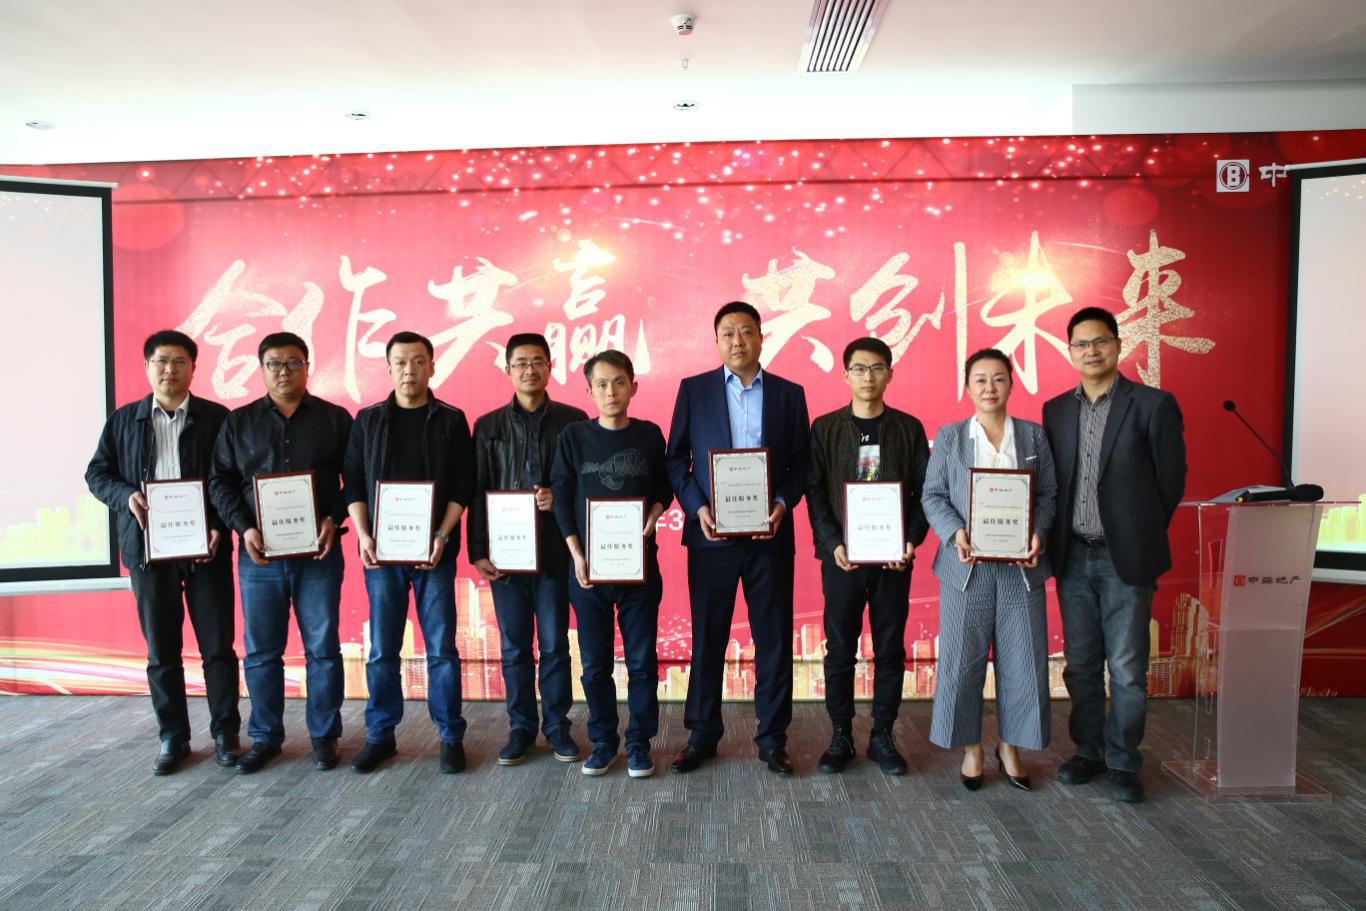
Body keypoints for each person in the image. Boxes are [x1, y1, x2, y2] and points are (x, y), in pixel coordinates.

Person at [1043, 306, 1187, 804]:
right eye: (1081, 344)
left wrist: (1135, 533)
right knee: (1081, 665)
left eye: (1100, 341)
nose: (1092, 351)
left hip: (1125, 558)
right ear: (1070, 352)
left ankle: (1124, 760)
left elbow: (1171, 482)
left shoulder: (1152, 405)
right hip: (1072, 557)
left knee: (1126, 667)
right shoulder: (1056, 411)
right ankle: (1088, 750)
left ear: (1119, 345)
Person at [85, 330, 241, 775]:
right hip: (148, 553)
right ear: (147, 368)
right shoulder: (124, 420)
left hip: (206, 550)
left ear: (193, 368)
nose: (169, 369)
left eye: (179, 362)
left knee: (218, 648)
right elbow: (97, 474)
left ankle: (226, 733)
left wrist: (219, 527)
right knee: (162, 651)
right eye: (161, 361)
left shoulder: (217, 419)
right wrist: (125, 496)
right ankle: (173, 737)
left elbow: (231, 480)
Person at [665, 301, 811, 775]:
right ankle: (702, 735)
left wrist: (782, 503)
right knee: (708, 638)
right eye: (727, 333)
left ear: (762, 337)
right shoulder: (695, 390)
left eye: (746, 332)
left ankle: (772, 739)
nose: (737, 341)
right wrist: (697, 508)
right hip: (711, 538)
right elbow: (676, 459)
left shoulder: (789, 394)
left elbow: (802, 463)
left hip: (770, 536)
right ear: (716, 341)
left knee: (774, 639)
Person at [209, 331, 353, 775]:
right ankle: (266, 737)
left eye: (293, 363)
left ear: (307, 366)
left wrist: (332, 518)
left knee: (322, 649)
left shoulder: (334, 419)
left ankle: (324, 735)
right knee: (261, 652)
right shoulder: (238, 423)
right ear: (262, 369)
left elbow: (355, 479)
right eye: (274, 364)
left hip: (318, 555)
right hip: (260, 557)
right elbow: (220, 482)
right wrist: (245, 527)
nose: (284, 371)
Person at [922, 348, 1056, 791]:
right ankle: (971, 748)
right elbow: (933, 495)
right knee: (961, 662)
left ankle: (1010, 746)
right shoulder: (950, 437)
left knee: (1024, 660)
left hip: (1021, 569)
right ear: (967, 387)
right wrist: (955, 532)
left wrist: (1038, 533)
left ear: (1011, 384)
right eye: (980, 379)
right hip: (967, 569)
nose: (989, 387)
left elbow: (1048, 495)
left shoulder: (1033, 436)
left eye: (998, 378)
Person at [342, 331, 474, 774]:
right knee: (382, 650)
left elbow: (463, 484)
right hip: (382, 557)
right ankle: (380, 735)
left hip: (435, 554)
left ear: (432, 366)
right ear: (388, 368)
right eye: (400, 362)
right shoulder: (368, 421)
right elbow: (353, 483)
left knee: (441, 649)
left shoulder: (451, 420)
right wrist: (364, 535)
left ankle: (450, 735)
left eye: (418, 361)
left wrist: (442, 535)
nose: (409, 370)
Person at [806, 337, 930, 776]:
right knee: (840, 648)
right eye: (859, 368)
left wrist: (910, 540)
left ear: (890, 373)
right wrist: (832, 543)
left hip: (893, 560)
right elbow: (815, 492)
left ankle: (882, 736)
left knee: (890, 648)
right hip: (843, 559)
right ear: (845, 375)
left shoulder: (908, 429)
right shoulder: (825, 428)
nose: (868, 376)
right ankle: (841, 735)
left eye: (877, 368)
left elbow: (926, 492)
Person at [550, 350, 672, 777]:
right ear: (589, 391)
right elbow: (562, 497)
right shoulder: (574, 437)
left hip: (640, 569)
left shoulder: (649, 435)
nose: (611, 391)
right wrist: (576, 555)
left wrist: (654, 514)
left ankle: (639, 744)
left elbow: (664, 487)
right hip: (588, 572)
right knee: (595, 665)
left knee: (641, 663)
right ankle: (603, 742)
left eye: (619, 382)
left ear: (633, 387)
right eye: (601, 384)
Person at [466, 333, 586, 766]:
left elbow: (584, 483)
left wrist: (560, 498)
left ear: (551, 367)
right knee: (515, 647)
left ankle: (556, 727)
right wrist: (477, 550)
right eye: (520, 363)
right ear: (508, 370)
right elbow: (476, 490)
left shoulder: (573, 421)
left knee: (554, 645)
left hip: (554, 551)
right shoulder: (488, 426)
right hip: (505, 556)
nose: (529, 369)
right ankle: (520, 728)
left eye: (537, 361)